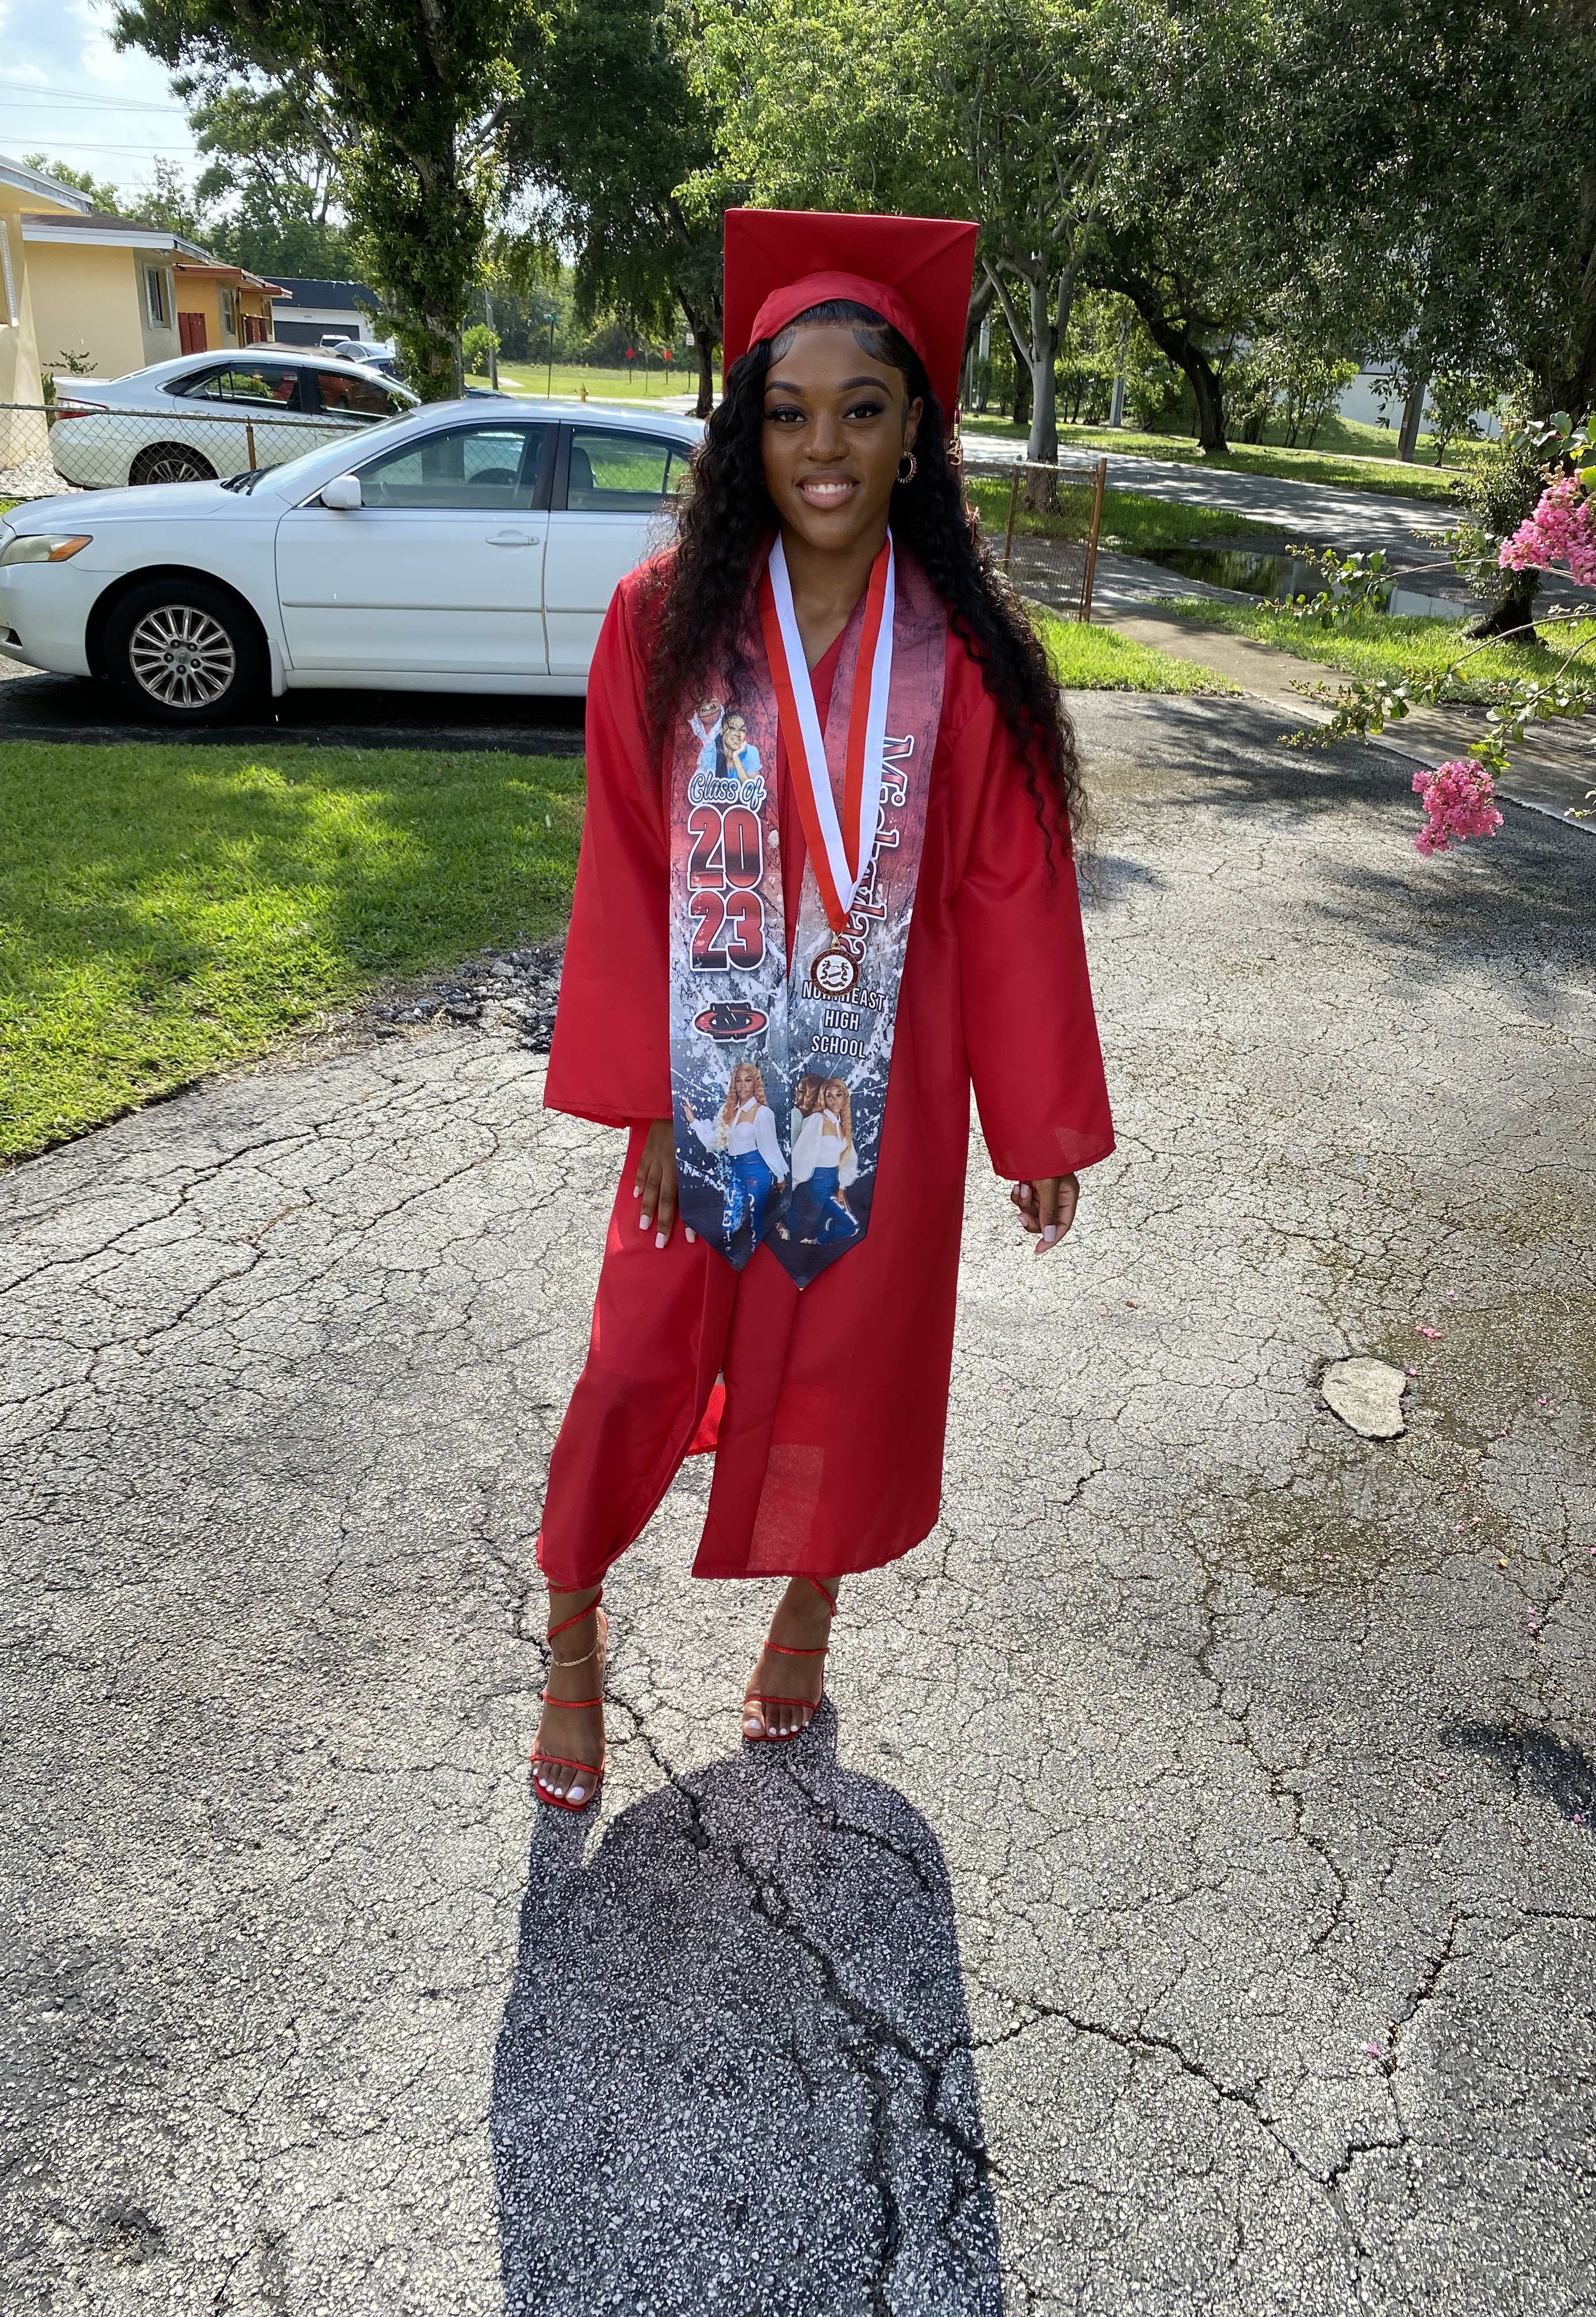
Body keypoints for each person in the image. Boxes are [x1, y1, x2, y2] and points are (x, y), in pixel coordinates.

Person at [528, 207, 1114, 1811]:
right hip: (705, 1061)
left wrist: (1037, 1121)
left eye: (864, 408)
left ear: (917, 429)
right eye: (787, 413)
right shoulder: (665, 620)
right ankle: (572, 1619)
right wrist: (648, 1097)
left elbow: (1006, 887)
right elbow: (630, 861)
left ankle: (810, 1610)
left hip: (890, 1072)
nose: (825, 446)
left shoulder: (969, 652)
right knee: (639, 1356)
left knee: (856, 1360)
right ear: (746, 433)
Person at [685, 1064, 787, 1249]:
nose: (743, 1086)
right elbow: (714, 1142)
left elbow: (770, 1147)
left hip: (756, 1168)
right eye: (738, 1080)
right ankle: (729, 1256)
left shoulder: (763, 1112)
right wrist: (694, 1121)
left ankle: (759, 1258)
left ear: (755, 1083)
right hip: (736, 1169)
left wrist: (780, 1176)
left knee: (757, 1219)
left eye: (748, 1080)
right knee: (730, 1218)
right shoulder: (729, 1111)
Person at [783, 1077, 859, 1245]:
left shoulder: (843, 1125)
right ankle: (815, 1242)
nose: (834, 1100)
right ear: (823, 1098)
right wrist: (792, 1184)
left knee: (823, 1225)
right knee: (852, 1226)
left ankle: (810, 1242)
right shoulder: (817, 1120)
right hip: (818, 1182)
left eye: (838, 1095)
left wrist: (841, 1188)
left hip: (834, 1181)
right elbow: (802, 1153)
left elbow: (848, 1158)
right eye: (829, 1096)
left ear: (845, 1098)